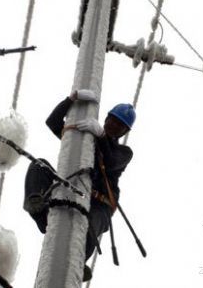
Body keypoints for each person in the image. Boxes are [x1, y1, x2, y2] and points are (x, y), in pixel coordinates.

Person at [23, 89, 136, 282]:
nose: (114, 126)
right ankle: (38, 208)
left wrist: (100, 135)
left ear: (124, 132)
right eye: (113, 121)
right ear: (107, 118)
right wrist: (71, 99)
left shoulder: (123, 152)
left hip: (100, 203)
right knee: (39, 165)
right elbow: (53, 123)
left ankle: (77, 260)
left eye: (120, 126)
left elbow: (110, 161)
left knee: (91, 224)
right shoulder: (85, 140)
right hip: (70, 189)